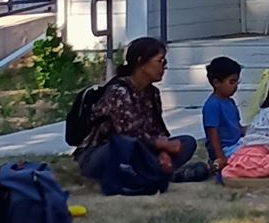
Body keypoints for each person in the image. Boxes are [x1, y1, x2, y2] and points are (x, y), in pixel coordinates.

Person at [77, 36, 199, 193]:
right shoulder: (118, 91)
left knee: (187, 142)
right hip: (104, 152)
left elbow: (157, 129)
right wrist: (161, 145)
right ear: (141, 62)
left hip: (144, 150)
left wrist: (163, 151)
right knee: (128, 147)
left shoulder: (152, 93)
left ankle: (154, 171)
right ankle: (160, 173)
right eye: (160, 61)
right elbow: (127, 135)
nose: (164, 67)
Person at [201, 56, 244, 176]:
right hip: (226, 149)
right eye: (231, 82)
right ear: (216, 82)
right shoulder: (212, 105)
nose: (235, 86)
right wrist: (220, 157)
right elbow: (212, 133)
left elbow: (237, 126)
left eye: (237, 82)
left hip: (237, 143)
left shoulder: (230, 102)